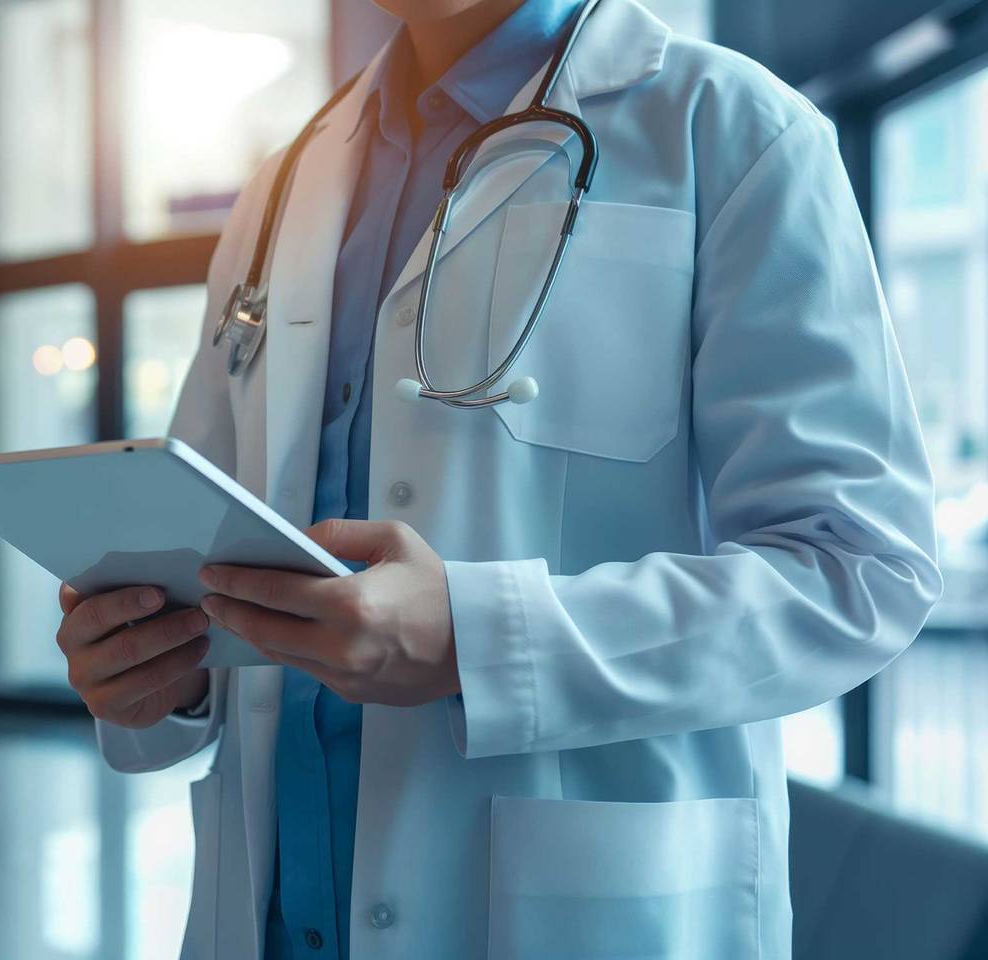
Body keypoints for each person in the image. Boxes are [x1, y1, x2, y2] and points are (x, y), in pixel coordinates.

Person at [51, 0, 942, 957]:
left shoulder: (732, 129)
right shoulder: (283, 188)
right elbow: (212, 539)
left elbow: (858, 570)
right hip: (277, 916)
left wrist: (480, 643)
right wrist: (160, 665)